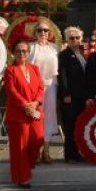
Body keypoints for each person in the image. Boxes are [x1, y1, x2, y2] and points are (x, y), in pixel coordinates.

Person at [4, 40, 44, 188]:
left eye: (24, 51)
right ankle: (22, 177)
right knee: (20, 147)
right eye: (19, 51)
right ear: (13, 53)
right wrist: (26, 105)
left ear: (28, 53)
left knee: (38, 139)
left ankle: (29, 163)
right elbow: (12, 91)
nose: (22, 54)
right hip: (18, 115)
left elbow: (41, 87)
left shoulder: (34, 68)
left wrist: (36, 103)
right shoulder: (10, 71)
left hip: (35, 112)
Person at [28, 20, 59, 164]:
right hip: (35, 88)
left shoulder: (55, 48)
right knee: (35, 118)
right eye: (40, 30)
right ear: (35, 33)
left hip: (51, 86)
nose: (43, 33)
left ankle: (46, 151)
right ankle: (35, 152)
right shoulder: (30, 48)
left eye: (45, 30)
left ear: (50, 33)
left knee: (49, 118)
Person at [57, 26, 87, 163]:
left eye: (77, 38)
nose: (75, 40)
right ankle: (70, 155)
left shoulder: (83, 54)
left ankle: (77, 153)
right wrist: (66, 94)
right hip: (70, 97)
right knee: (70, 126)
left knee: (79, 125)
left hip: (81, 96)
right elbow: (62, 76)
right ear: (67, 40)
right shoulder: (64, 55)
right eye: (71, 38)